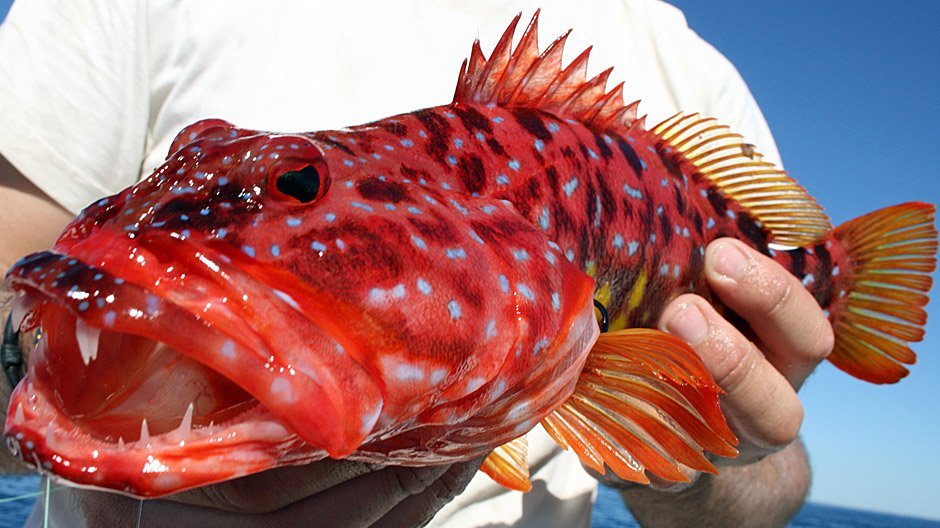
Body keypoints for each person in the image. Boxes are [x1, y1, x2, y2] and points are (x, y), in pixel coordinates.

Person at [0, 1, 831, 526]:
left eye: (296, 186)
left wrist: (690, 462)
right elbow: (32, 292)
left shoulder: (688, 69)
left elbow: (774, 482)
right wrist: (23, 367)